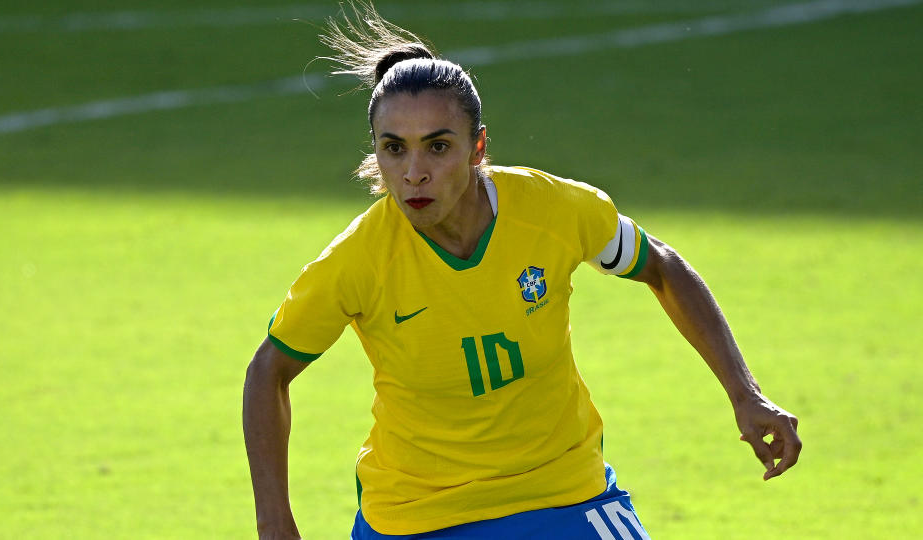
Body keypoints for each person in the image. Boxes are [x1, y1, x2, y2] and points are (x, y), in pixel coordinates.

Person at [242, 3, 802, 539]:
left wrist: (744, 393)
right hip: (415, 516)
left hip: (561, 496)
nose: (414, 173)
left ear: (477, 147)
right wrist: (275, 525)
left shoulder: (553, 211)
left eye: (437, 147)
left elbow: (660, 265)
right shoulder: (357, 260)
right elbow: (268, 371)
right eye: (394, 149)